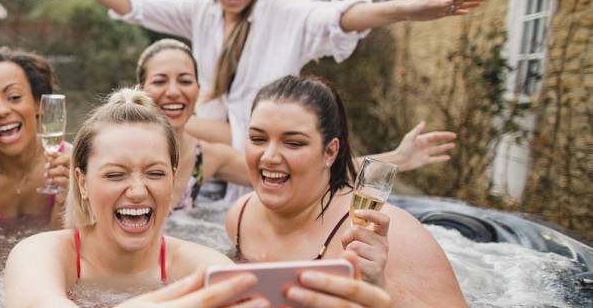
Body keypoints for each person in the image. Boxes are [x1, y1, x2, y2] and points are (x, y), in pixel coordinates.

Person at [4, 88, 392, 308]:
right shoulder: (42, 253)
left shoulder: (195, 264)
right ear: (83, 182)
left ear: (174, 180)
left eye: (155, 173)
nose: (138, 190)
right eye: (115, 174)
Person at [46, 0, 484, 157]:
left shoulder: (284, 15)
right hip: (211, 157)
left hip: (260, 150)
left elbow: (340, 17)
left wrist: (408, 9)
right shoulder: (200, 13)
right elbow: (133, 3)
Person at [226, 75, 481, 308]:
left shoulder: (385, 233)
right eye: (258, 139)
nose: (269, 156)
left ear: (330, 152)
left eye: (293, 143)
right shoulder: (241, 215)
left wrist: (381, 291)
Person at [136, 39, 458, 210]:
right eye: (160, 80)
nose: (174, 91)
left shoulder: (208, 157)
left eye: (185, 80)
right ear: (140, 89)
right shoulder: (116, 148)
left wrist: (397, 159)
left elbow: (313, 171)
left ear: (198, 90)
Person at [0, 47, 71, 226]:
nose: (1, 111)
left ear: (38, 103)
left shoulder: (70, 165)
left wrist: (64, 201)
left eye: (14, 97)